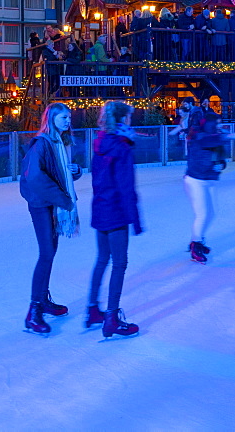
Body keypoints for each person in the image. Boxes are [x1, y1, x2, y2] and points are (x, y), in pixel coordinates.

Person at [18, 102, 82, 335]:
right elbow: (34, 177)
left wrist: (75, 172)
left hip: (50, 203)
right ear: (51, 119)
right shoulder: (42, 143)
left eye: (69, 117)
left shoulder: (60, 143)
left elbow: (58, 173)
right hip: (41, 204)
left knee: (50, 252)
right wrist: (62, 199)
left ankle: (42, 300)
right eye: (63, 117)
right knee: (46, 253)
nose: (67, 121)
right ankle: (33, 312)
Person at [88, 101, 143, 339]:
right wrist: (136, 219)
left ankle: (92, 309)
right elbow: (126, 186)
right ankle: (111, 318)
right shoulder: (121, 146)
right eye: (129, 117)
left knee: (102, 258)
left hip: (100, 207)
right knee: (120, 263)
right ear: (123, 120)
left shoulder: (100, 142)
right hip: (116, 211)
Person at [184, 108, 235, 263]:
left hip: (209, 180)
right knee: (202, 214)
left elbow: (221, 159)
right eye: (216, 122)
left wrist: (220, 165)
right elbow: (207, 141)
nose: (218, 125)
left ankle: (197, 240)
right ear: (208, 123)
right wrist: (230, 136)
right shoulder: (197, 136)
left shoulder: (216, 136)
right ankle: (195, 245)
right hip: (196, 180)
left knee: (212, 213)